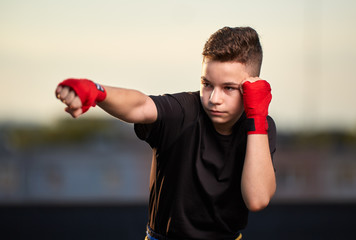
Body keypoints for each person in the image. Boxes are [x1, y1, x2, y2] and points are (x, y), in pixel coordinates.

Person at [55, 26, 276, 240]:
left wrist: (256, 118)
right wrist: (97, 91)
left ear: (251, 86)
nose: (213, 99)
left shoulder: (261, 126)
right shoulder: (184, 111)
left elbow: (257, 199)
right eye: (207, 84)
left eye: (228, 88)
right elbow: (140, 105)